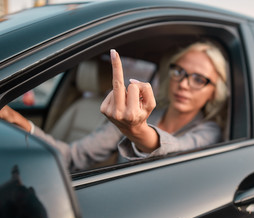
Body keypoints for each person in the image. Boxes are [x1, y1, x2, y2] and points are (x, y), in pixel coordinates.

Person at [0, 42, 228, 171]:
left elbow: (179, 148)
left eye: (199, 79)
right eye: (179, 71)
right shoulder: (131, 114)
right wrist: (21, 123)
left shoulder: (209, 130)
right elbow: (72, 157)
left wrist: (137, 131)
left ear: (214, 91)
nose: (184, 84)